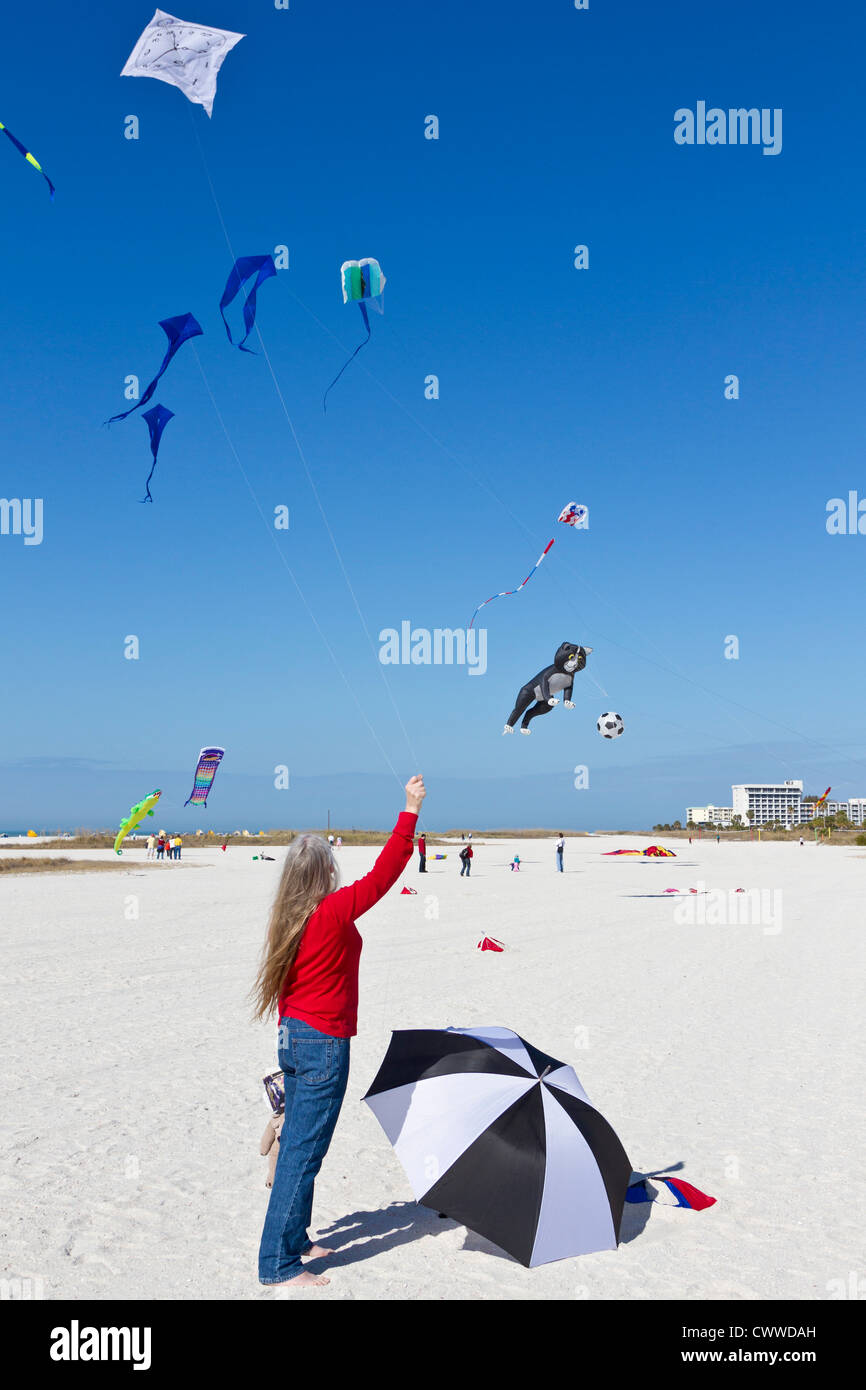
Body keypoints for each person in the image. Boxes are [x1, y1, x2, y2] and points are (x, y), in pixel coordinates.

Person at [253, 774, 426, 1290]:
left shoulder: (289, 914)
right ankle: (277, 1265)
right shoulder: (328, 913)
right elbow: (384, 874)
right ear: (325, 870)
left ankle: (297, 1238)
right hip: (321, 1043)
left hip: (295, 1037)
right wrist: (410, 810)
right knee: (303, 1153)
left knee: (308, 1148)